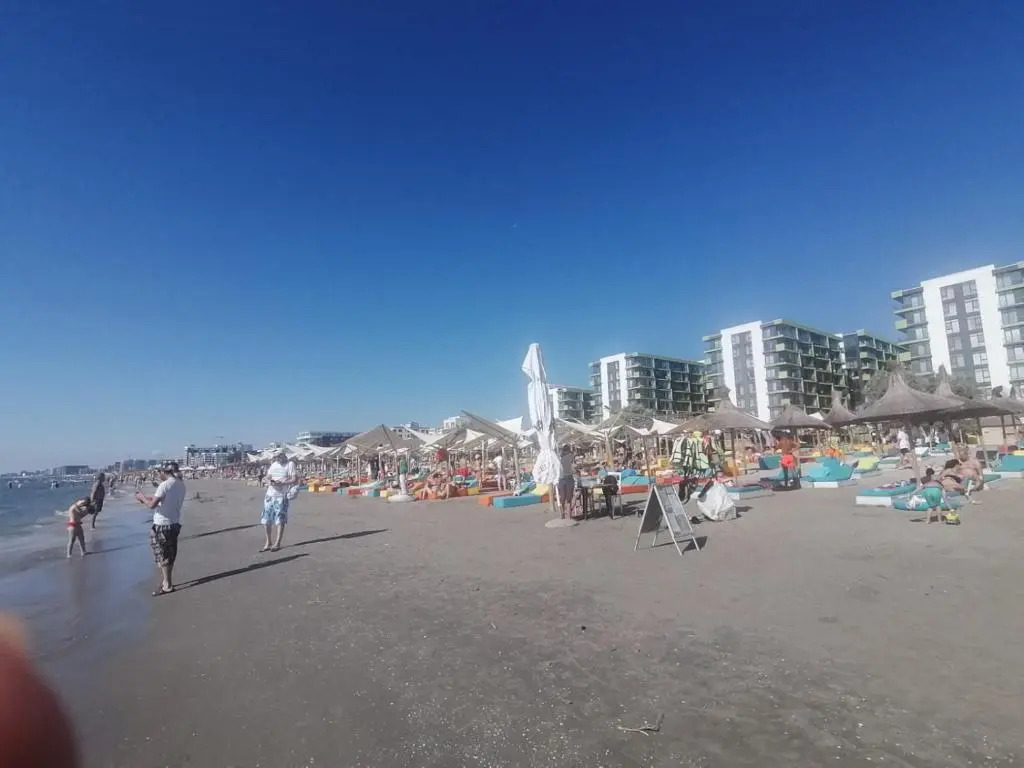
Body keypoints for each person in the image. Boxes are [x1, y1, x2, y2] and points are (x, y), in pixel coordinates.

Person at [135, 462, 186, 596]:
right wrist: (147, 498)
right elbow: (165, 500)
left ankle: (167, 585)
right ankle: (166, 581)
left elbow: (152, 505)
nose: (159, 475)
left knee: (161, 555)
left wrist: (141, 497)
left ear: (165, 472)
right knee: (170, 554)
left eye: (160, 473)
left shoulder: (164, 485)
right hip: (174, 523)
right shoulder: (181, 484)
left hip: (161, 524)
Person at [262, 451, 296, 552]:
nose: (277, 459)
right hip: (269, 495)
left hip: (281, 496)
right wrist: (269, 481)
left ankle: (277, 543)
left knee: (280, 520)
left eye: (278, 457)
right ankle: (268, 541)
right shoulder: (273, 464)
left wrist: (283, 483)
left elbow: (294, 479)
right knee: (266, 520)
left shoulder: (290, 464)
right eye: (275, 457)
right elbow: (267, 477)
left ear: (283, 455)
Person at [557, 446, 575, 519]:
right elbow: (574, 466)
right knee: (568, 498)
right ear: (568, 450)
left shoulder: (559, 458)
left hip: (561, 478)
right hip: (568, 478)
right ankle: (568, 515)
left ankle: (563, 514)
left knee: (563, 497)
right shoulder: (570, 456)